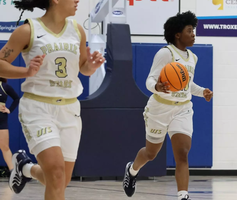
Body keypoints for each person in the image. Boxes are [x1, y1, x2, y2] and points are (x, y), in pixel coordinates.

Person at [0, 0, 105, 199]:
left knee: (59, 180)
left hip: (70, 109)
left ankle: (25, 167)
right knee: (56, 174)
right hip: (38, 108)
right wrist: (26, 71)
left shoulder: (78, 30)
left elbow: (82, 67)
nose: (77, 1)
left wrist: (90, 67)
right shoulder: (27, 30)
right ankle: (26, 168)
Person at [122, 11, 213, 200]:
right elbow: (150, 80)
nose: (193, 34)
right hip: (160, 108)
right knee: (151, 154)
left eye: (193, 30)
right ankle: (132, 170)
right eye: (190, 30)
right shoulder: (166, 53)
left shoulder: (193, 58)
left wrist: (202, 91)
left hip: (183, 109)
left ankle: (182, 195)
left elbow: (187, 85)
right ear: (178, 34)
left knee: (182, 153)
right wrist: (157, 86)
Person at [0, 77, 20, 174]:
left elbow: (16, 98)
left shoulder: (5, 86)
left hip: (1, 119)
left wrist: (9, 110)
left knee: (4, 146)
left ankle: (13, 171)